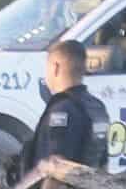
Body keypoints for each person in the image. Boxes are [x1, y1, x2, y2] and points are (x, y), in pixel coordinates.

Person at [21, 38, 109, 172]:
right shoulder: (96, 107)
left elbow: (57, 168)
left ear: (55, 67)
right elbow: (103, 165)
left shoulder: (62, 110)